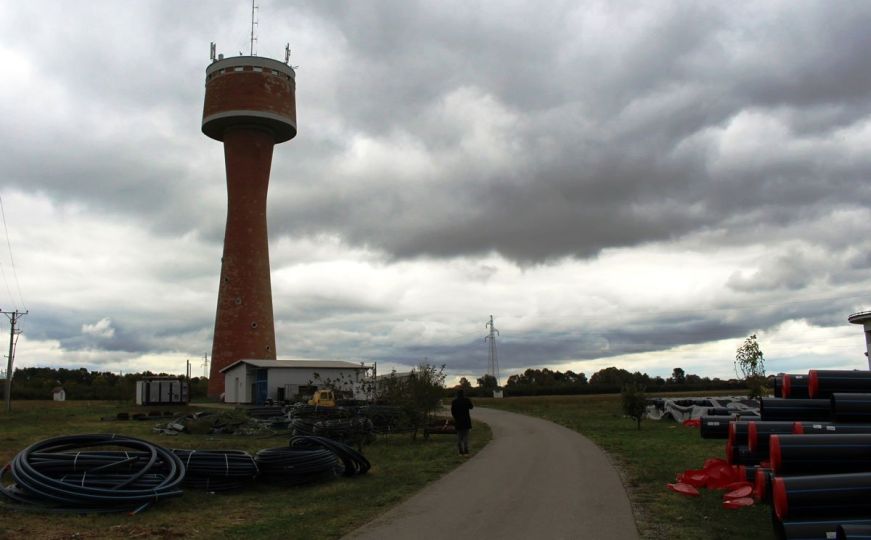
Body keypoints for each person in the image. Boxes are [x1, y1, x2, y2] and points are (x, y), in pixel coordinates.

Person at [450, 389, 474, 455]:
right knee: (466, 436)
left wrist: (455, 418)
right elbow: (471, 407)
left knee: (459, 436)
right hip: (466, 420)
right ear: (463, 394)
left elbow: (452, 411)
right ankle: (466, 450)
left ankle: (460, 450)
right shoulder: (466, 400)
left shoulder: (454, 401)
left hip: (458, 421)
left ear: (457, 394)